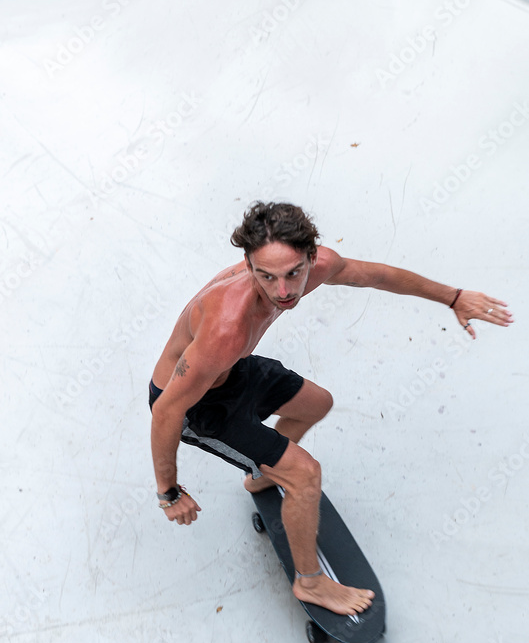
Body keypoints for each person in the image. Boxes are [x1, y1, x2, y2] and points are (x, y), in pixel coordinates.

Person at [148, 201, 512, 616]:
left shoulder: (320, 267)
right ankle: (312, 583)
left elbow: (379, 276)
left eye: (293, 274)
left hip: (231, 372)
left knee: (316, 405)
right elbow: (166, 412)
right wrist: (169, 492)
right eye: (266, 276)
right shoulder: (225, 329)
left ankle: (261, 476)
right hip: (195, 404)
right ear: (248, 266)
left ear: (312, 256)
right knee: (306, 476)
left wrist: (455, 297)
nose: (283, 291)